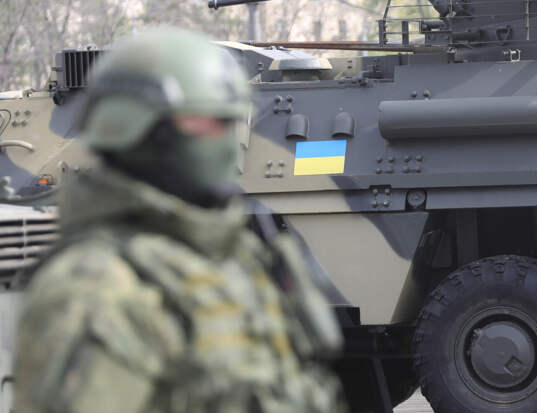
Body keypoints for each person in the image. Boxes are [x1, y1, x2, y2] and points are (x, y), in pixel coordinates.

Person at [14, 28, 347, 413]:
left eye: (232, 120)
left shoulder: (236, 256)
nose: (230, 139)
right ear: (138, 127)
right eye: (211, 121)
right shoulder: (97, 289)